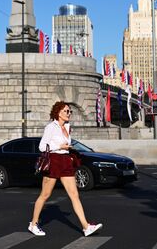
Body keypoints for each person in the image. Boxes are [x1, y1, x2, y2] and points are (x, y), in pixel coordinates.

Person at [28, 101, 103, 237]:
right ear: (58, 113)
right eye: (66, 111)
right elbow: (41, 146)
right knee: (45, 195)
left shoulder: (67, 127)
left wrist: (68, 149)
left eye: (70, 111)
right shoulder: (51, 127)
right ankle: (33, 224)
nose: (69, 113)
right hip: (54, 161)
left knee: (74, 195)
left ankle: (86, 227)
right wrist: (59, 147)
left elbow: (65, 144)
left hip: (65, 161)